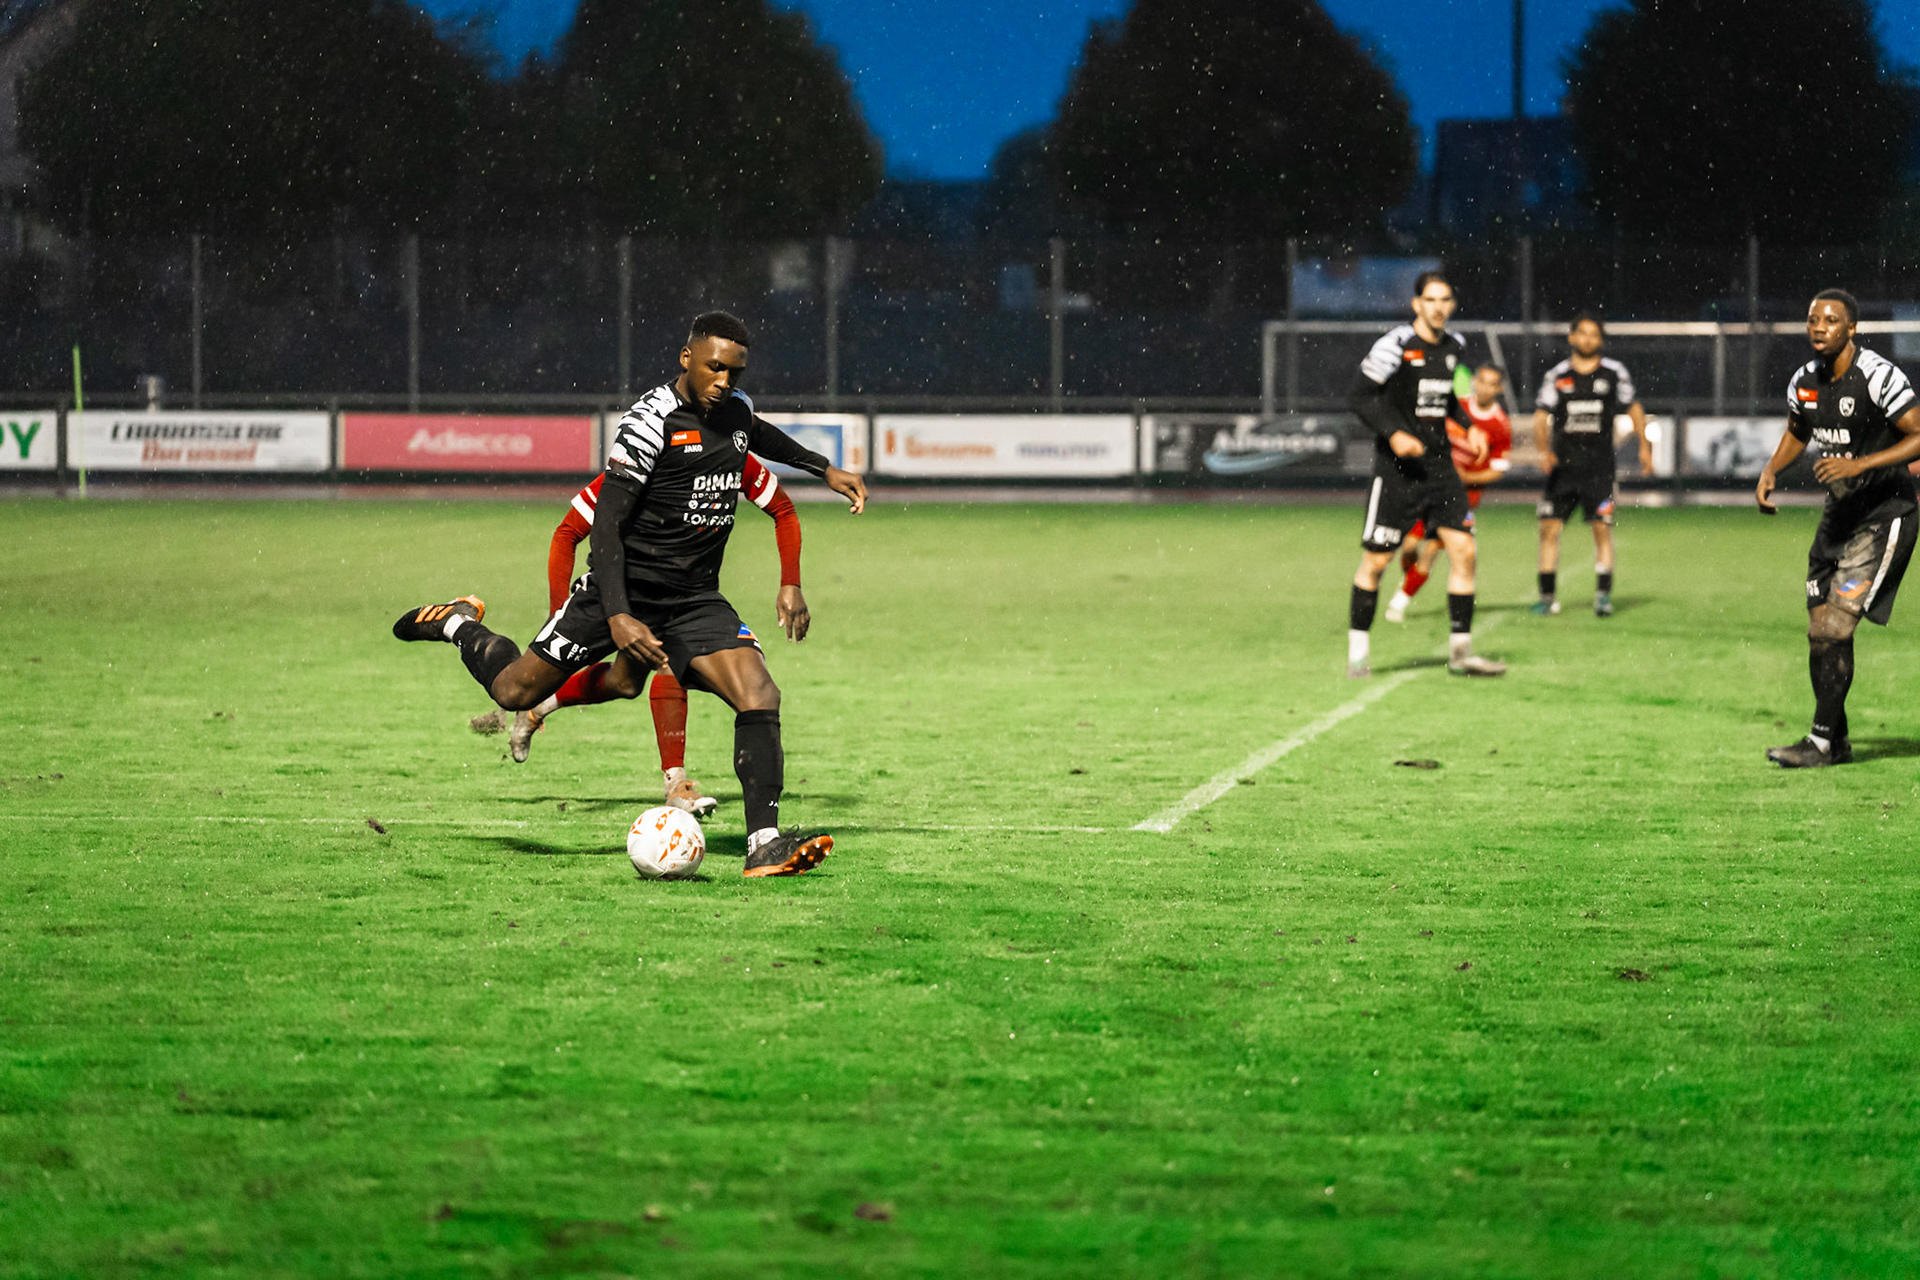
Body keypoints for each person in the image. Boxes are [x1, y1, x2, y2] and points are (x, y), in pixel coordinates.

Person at [394, 311, 868, 874]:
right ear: (686, 358)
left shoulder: (733, 413)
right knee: (514, 691)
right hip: (615, 593)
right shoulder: (649, 423)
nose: (724, 381)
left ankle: (762, 844)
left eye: (735, 373)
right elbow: (606, 528)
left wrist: (824, 469)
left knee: (760, 693)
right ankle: (457, 624)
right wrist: (618, 616)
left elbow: (756, 432)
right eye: (715, 367)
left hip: (694, 600)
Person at [472, 454, 806, 821]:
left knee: (625, 682)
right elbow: (568, 532)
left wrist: (791, 579)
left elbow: (783, 509)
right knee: (666, 661)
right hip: (619, 598)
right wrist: (559, 616)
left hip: (685, 597)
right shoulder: (645, 464)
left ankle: (538, 707)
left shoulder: (730, 453)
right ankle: (676, 784)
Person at [1756, 288, 1920, 768]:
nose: (1819, 327)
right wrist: (1771, 471)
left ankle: (1821, 744)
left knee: (1835, 625)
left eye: (1831, 320)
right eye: (1813, 320)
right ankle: (1836, 739)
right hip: (1838, 518)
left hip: (1884, 516)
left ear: (1852, 329)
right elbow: (1797, 430)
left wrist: (1860, 465)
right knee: (1818, 629)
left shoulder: (1879, 377)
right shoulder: (1803, 382)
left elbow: (1917, 435)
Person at [1346, 271, 1505, 678]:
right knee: (1377, 563)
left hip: (1440, 468)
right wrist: (1396, 433)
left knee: (1465, 553)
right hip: (1397, 471)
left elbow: (1445, 396)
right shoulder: (1396, 344)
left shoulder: (1455, 346)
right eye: (1430, 300)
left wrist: (1469, 426)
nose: (1438, 307)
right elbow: (1360, 396)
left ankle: (1461, 654)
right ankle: (1358, 656)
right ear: (1416, 304)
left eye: (1445, 300)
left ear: (1451, 306)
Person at [1531, 314, 1652, 617]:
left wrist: (1645, 445)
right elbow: (1540, 415)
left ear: (1601, 340)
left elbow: (1634, 407)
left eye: (1594, 335)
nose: (1587, 339)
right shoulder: (1557, 376)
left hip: (1599, 469)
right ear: (1571, 337)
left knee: (1601, 529)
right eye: (1582, 334)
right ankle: (1547, 597)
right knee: (1549, 529)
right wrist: (1543, 451)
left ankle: (1602, 596)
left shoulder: (1613, 373)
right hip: (1563, 469)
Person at [1384, 363, 1513, 622]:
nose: (1485, 387)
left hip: (1460, 498)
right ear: (1474, 381)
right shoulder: (1458, 408)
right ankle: (1411, 580)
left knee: (1431, 549)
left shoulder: (1500, 426)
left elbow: (1498, 470)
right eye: (1482, 380)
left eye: (1492, 383)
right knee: (1409, 546)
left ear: (1499, 388)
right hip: (1430, 486)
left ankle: (1400, 600)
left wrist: (1468, 477)